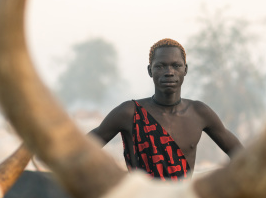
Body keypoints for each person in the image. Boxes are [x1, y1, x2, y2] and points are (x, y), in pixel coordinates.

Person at [90, 38, 242, 181]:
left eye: (176, 66)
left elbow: (240, 155)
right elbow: (81, 149)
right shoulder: (129, 113)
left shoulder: (199, 112)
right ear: (150, 71)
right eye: (160, 66)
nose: (169, 72)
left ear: (185, 69)